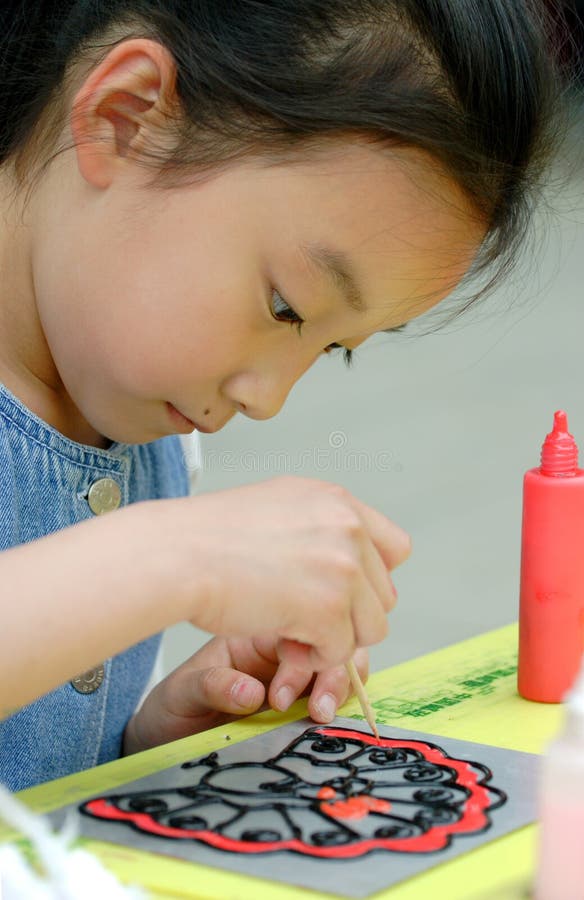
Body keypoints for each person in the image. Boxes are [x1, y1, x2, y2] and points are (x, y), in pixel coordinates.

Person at [0, 0, 560, 792]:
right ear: (124, 119)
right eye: (286, 307)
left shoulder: (142, 429)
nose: (269, 400)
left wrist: (145, 746)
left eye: (330, 348)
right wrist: (175, 557)